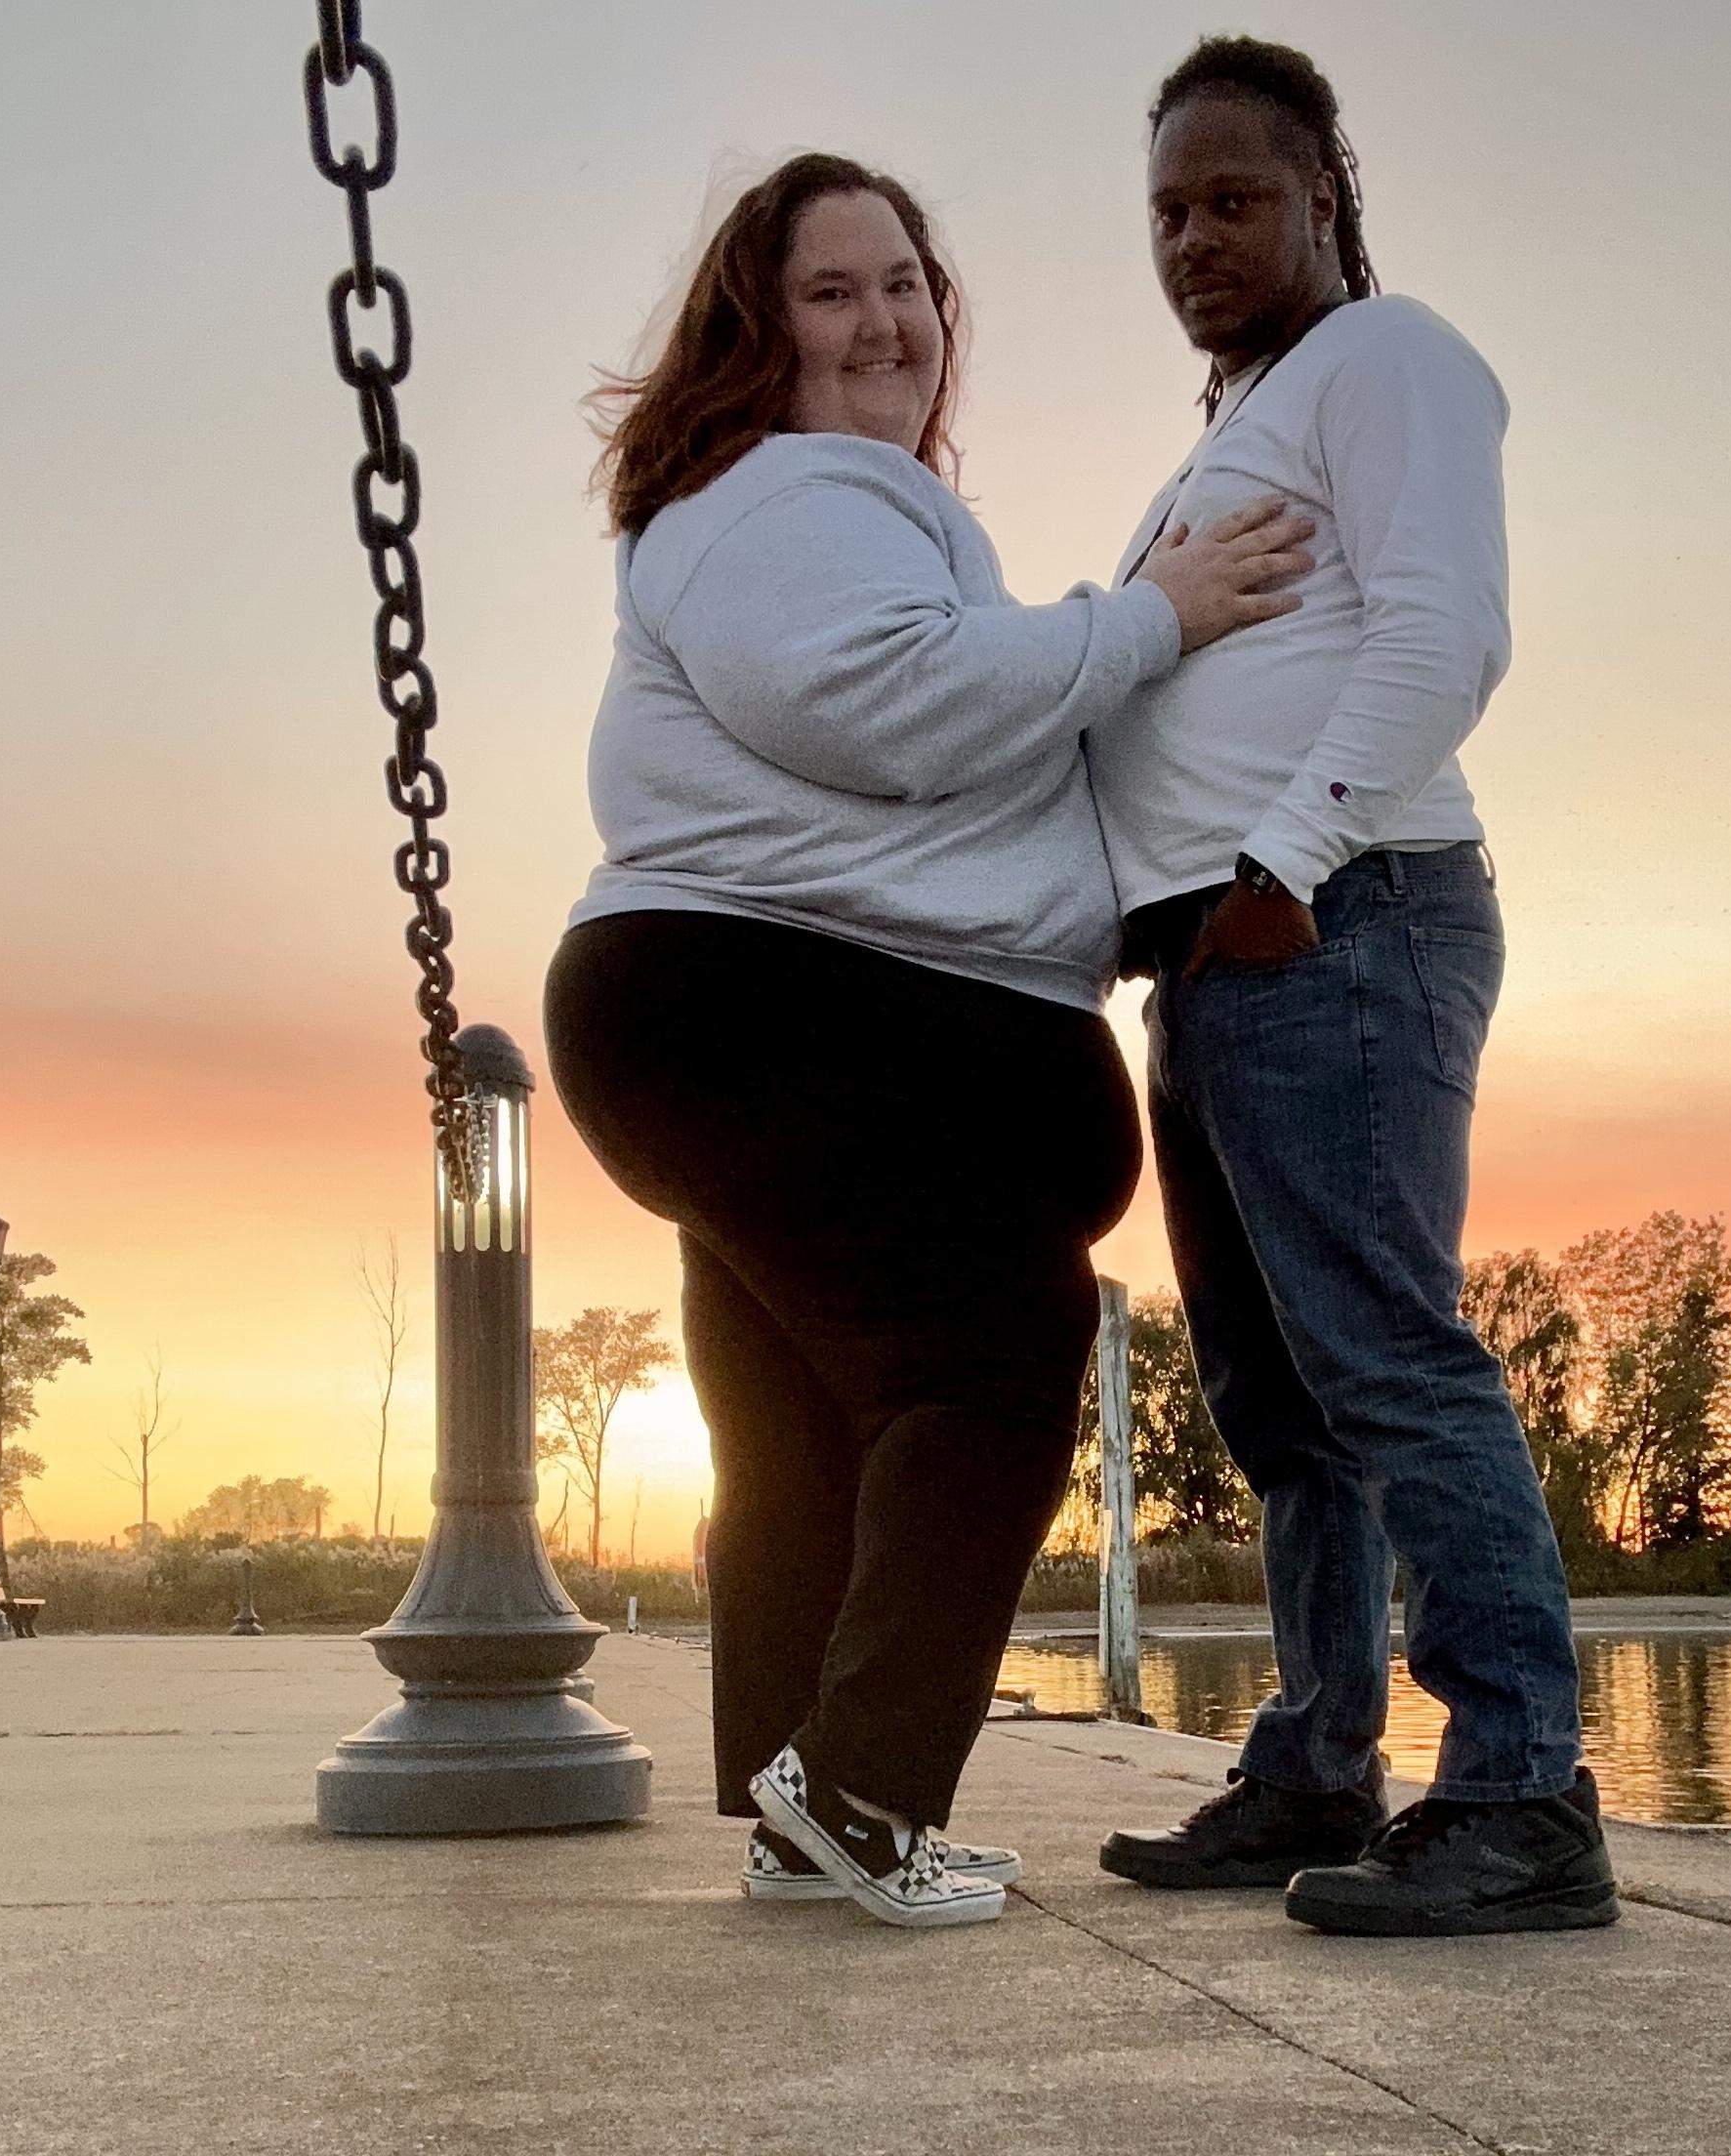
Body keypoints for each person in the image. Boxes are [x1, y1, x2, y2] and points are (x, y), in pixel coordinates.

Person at [544, 152, 1310, 1929]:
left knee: (804, 1422)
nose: (886, 321)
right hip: (780, 1005)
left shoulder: (815, 507)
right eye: (835, 291)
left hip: (755, 1011)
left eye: (908, 284)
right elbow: (889, 702)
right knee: (991, 1356)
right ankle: (866, 1794)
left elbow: (935, 747)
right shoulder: (788, 491)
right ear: (760, 332)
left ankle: (804, 1807)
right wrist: (1156, 614)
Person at [1089, 39, 1618, 1937]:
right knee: (1279, 1397)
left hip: (1341, 915)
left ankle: (1524, 1796)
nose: (1196, 237)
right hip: (1221, 956)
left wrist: (1280, 869)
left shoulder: (1385, 359)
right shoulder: (1234, 426)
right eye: (1168, 209)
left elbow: (1447, 629)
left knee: (1387, 1354)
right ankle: (1319, 1761)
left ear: (1325, 196)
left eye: (1235, 198)